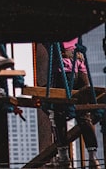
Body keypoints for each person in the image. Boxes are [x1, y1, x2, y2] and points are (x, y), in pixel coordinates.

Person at [49, 38, 100, 169]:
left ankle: (63, 155)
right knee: (83, 114)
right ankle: (93, 157)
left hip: (63, 67)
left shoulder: (51, 27)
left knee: (58, 112)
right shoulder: (74, 27)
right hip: (80, 67)